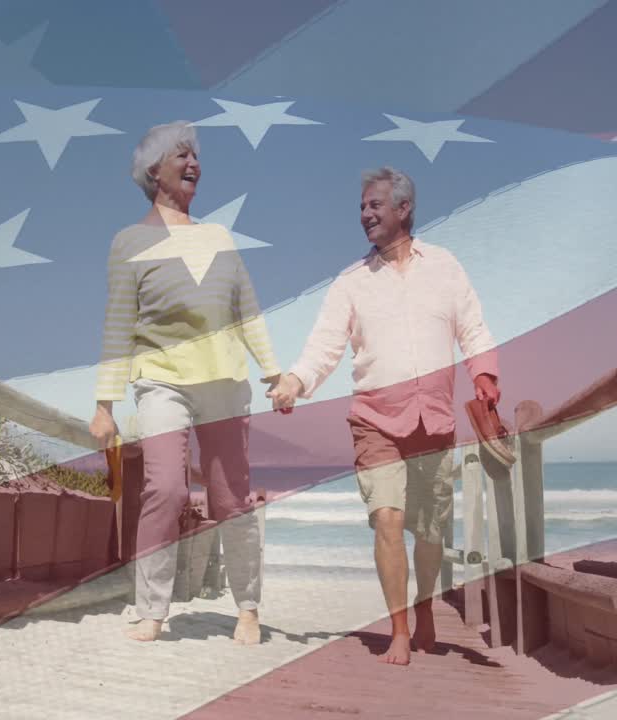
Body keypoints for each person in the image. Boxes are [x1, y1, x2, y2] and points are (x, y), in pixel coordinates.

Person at [267, 166, 501, 665]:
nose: (365, 214)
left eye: (374, 205)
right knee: (388, 520)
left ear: (403, 209)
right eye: (361, 208)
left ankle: (425, 611)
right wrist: (294, 382)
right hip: (375, 420)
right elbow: (323, 348)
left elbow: (474, 328)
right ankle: (398, 629)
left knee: (432, 532)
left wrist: (484, 376)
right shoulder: (351, 283)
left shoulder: (445, 267)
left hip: (434, 421)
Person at [89, 121, 281, 644]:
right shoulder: (128, 242)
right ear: (154, 171)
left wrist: (274, 372)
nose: (194, 163)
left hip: (223, 378)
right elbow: (117, 324)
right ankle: (152, 609)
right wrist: (104, 404)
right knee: (166, 490)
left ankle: (247, 607)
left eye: (196, 155)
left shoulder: (219, 237)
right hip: (160, 378)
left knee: (229, 500)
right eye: (183, 155)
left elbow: (247, 311)